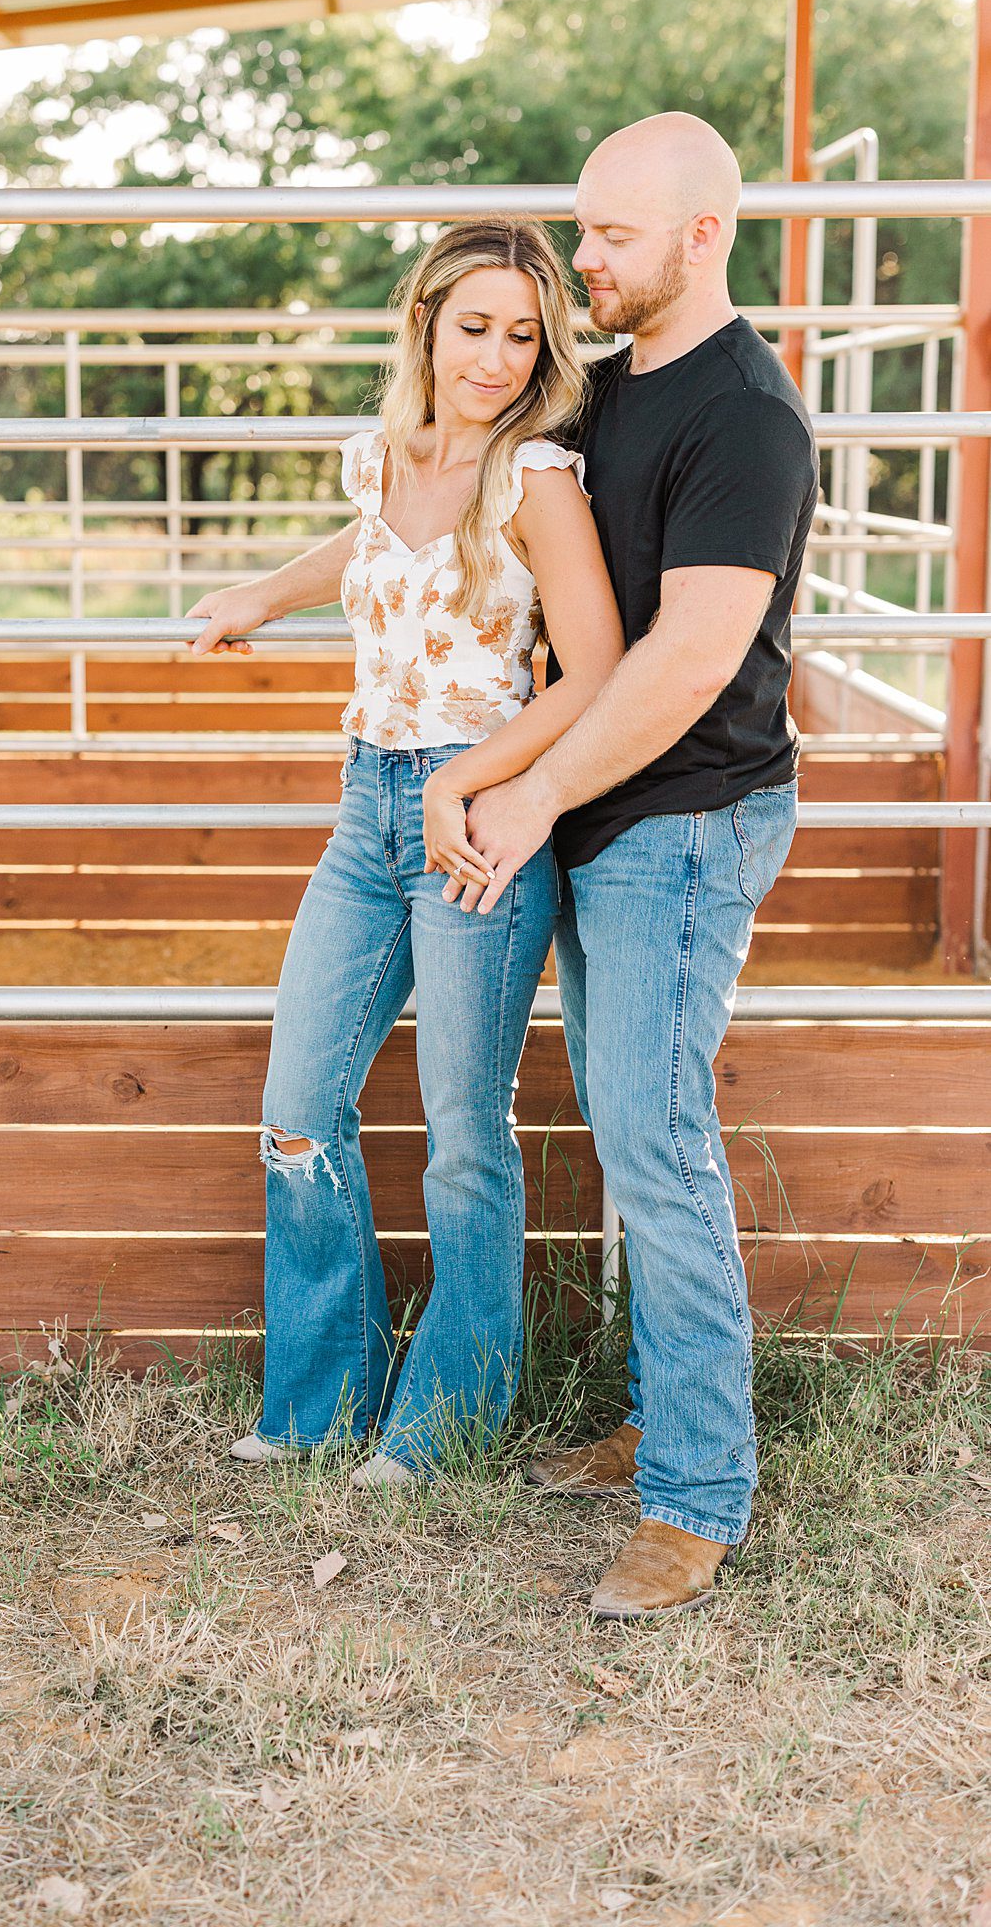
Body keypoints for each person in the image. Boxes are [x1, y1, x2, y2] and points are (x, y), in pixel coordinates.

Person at [438, 115, 819, 1617]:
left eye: (609, 236)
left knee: (657, 1143)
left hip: (685, 813)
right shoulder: (603, 396)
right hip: (612, 808)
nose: (580, 258)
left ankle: (698, 1498)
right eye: (583, 230)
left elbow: (685, 662)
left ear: (701, 235)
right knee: (631, 1125)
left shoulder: (747, 417)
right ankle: (670, 1420)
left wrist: (527, 799)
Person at [185, 215, 623, 1484]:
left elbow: (591, 670)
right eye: (473, 326)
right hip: (364, 808)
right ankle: (317, 1405)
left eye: (521, 335)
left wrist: (475, 782)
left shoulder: (535, 476)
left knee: (463, 1129)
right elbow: (370, 551)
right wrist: (260, 596)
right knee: (296, 1106)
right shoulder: (378, 457)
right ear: (425, 318)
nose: (493, 358)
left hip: (480, 819)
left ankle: (446, 1419)